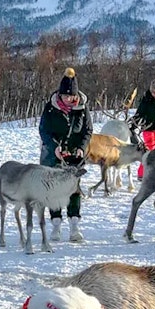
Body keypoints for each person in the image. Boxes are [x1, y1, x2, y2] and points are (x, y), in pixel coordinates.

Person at [38, 67, 92, 242]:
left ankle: (74, 226)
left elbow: (87, 130)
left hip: (75, 156)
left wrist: (81, 147)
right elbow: (44, 130)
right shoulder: (51, 108)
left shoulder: (83, 108)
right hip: (53, 155)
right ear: (60, 95)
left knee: (73, 189)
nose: (69, 99)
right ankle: (55, 226)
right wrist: (54, 147)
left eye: (71, 96)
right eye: (65, 96)